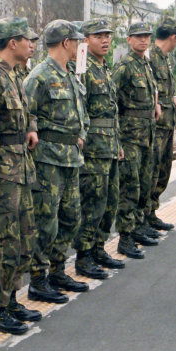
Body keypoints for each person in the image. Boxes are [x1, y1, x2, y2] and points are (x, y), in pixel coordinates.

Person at [0, 17, 42, 335]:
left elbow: (26, 113)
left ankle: (11, 298)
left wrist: (31, 128)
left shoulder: (17, 75)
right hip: (3, 174)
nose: (32, 44)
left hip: (21, 169)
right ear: (11, 43)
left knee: (22, 238)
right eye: (26, 39)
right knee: (3, 242)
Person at [24, 19, 89, 301]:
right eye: (76, 41)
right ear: (66, 43)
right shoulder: (39, 76)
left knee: (71, 215)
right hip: (48, 159)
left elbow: (80, 110)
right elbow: (26, 113)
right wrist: (33, 130)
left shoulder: (71, 73)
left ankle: (58, 269)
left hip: (71, 157)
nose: (78, 46)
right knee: (46, 220)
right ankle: (38, 279)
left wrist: (81, 133)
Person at [73, 18, 125, 279]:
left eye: (107, 35)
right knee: (93, 202)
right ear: (85, 40)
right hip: (93, 148)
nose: (105, 40)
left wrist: (118, 143)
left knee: (109, 201)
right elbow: (81, 111)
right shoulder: (82, 69)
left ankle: (98, 247)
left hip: (109, 146)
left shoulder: (104, 68)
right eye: (98, 36)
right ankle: (83, 255)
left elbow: (112, 111)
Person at [112, 21, 161, 259]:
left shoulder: (146, 64)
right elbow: (112, 103)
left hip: (147, 134)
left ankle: (139, 225)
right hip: (130, 136)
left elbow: (151, 94)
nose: (143, 40)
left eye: (147, 36)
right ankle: (125, 236)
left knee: (144, 183)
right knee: (129, 187)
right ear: (129, 40)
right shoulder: (124, 66)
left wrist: (156, 104)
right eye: (138, 36)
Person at [148, 16, 176, 233]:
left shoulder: (163, 59)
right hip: (156, 127)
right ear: (173, 37)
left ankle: (151, 212)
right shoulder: (151, 58)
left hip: (167, 125)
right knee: (152, 172)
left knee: (162, 171)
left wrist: (175, 103)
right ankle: (144, 216)